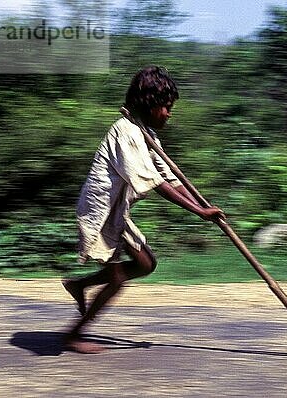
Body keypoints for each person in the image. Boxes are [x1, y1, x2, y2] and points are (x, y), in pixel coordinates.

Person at [62, 66, 223, 354]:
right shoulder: (126, 132)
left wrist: (204, 207)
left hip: (116, 211)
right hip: (100, 213)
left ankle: (80, 285)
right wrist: (198, 213)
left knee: (146, 264)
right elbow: (155, 183)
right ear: (149, 104)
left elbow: (170, 178)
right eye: (166, 107)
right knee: (116, 281)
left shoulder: (146, 134)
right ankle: (74, 334)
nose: (169, 114)